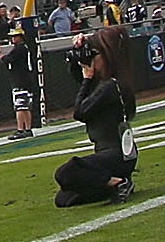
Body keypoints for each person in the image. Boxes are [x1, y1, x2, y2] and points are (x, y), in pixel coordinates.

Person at [52, 25, 141, 207]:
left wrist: (86, 78)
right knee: (64, 199)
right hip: (119, 157)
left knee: (65, 173)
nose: (92, 60)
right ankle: (116, 184)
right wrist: (79, 54)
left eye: (94, 55)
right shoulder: (109, 85)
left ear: (107, 57)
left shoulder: (110, 87)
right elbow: (81, 81)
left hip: (116, 156)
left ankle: (118, 182)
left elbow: (80, 112)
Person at [0, 14, 43, 138]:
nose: (13, 39)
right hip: (26, 80)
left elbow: (7, 60)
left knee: (20, 107)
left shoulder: (19, 49)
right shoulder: (25, 48)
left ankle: (21, 129)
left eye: (15, 37)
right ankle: (28, 129)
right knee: (26, 106)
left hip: (20, 81)